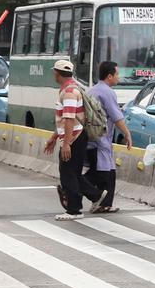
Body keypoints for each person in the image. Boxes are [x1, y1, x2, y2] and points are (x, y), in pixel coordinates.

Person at [42, 60, 107, 221]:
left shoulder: (70, 92)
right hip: (76, 136)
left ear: (57, 73)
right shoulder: (71, 88)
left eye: (54, 72)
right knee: (74, 172)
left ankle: (74, 210)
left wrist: (66, 144)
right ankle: (95, 194)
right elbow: (65, 120)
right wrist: (54, 138)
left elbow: (70, 119)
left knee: (67, 174)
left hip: (74, 137)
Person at [85, 61, 132, 214]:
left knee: (109, 173)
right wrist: (127, 133)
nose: (119, 77)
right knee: (101, 174)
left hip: (92, 139)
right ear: (109, 76)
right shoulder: (107, 92)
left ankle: (105, 204)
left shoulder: (92, 90)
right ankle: (71, 188)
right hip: (101, 140)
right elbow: (117, 117)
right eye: (117, 74)